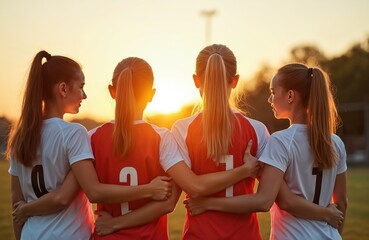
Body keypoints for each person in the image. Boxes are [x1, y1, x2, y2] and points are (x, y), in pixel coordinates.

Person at [89, 57, 261, 239]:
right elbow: (168, 204)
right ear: (151, 94)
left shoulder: (90, 138)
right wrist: (244, 171)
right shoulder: (162, 138)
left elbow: (91, 191)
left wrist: (114, 223)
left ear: (112, 91)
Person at [7, 51, 171, 240]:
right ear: (63, 89)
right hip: (67, 234)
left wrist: (26, 213)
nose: (84, 95)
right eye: (81, 87)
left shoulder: (20, 137)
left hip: (31, 233)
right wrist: (149, 189)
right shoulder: (75, 134)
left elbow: (16, 204)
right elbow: (74, 194)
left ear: (112, 91)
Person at [185, 63, 347, 240]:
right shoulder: (336, 142)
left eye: (273, 92)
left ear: (290, 96)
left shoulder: (281, 141)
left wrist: (208, 203)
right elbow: (341, 203)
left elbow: (268, 200)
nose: (270, 100)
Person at [170, 44, 270, 240]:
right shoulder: (257, 130)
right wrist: (244, 170)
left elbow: (192, 187)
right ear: (235, 80)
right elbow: (264, 200)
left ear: (196, 80)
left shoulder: (182, 129)